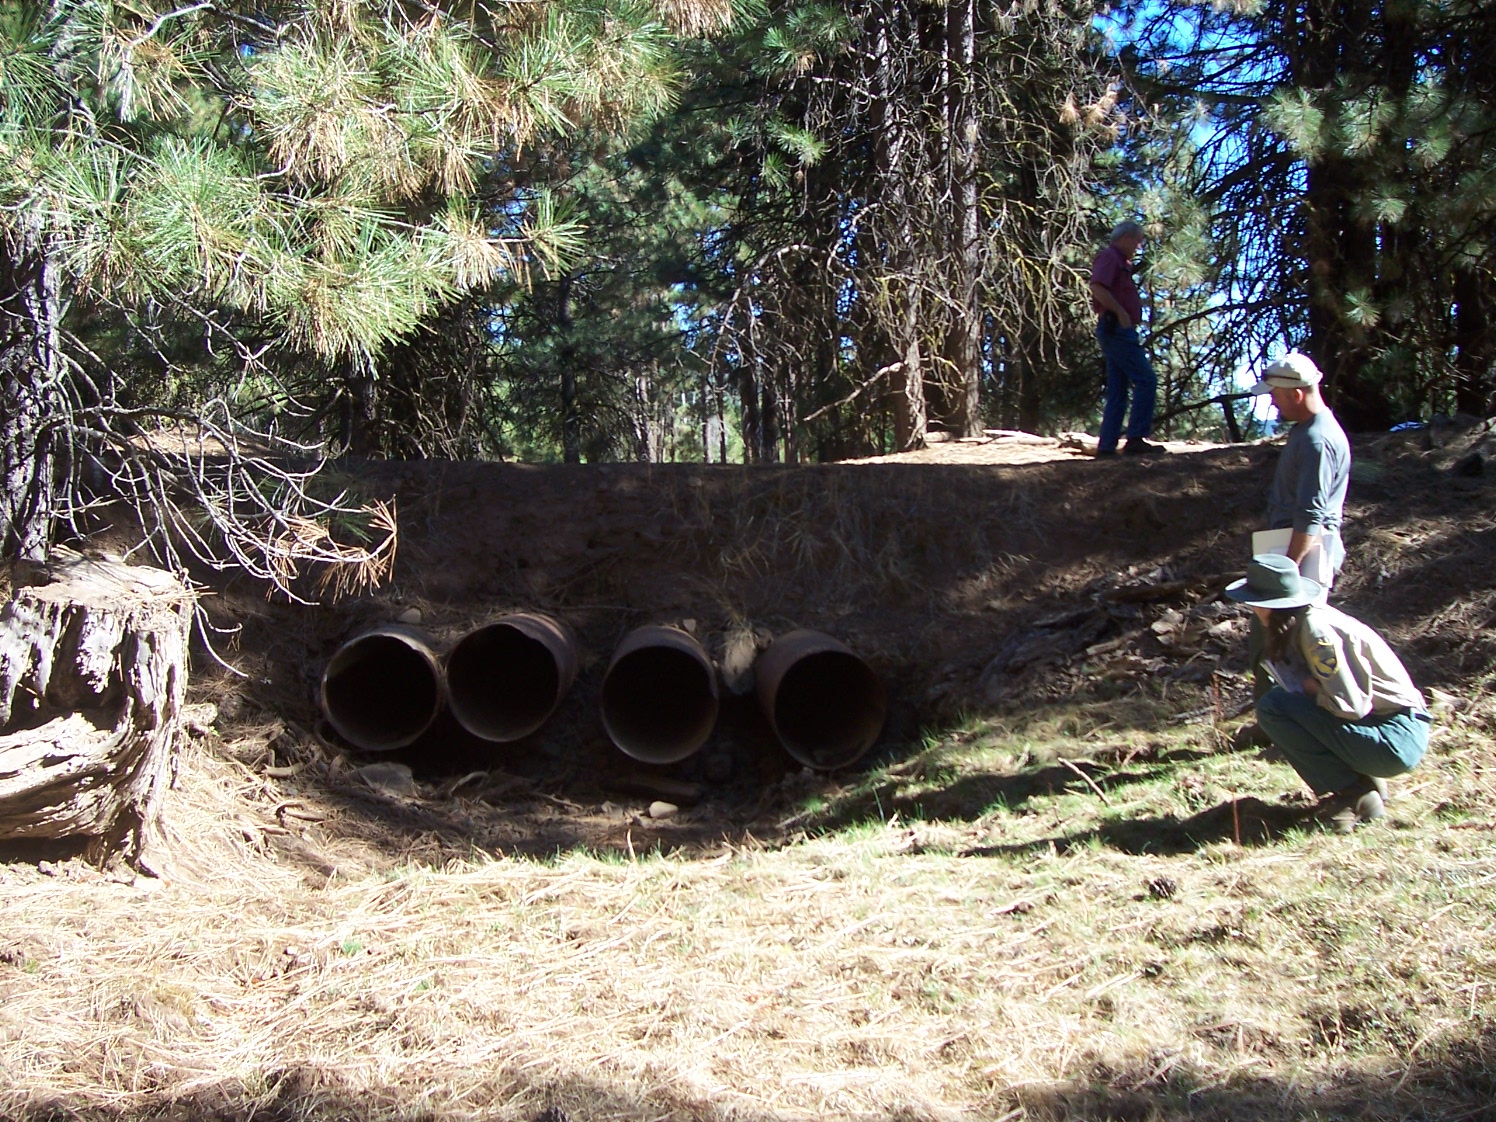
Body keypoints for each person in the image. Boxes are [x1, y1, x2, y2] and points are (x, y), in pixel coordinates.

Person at [1227, 553, 1431, 833]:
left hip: (1396, 738)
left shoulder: (1316, 631)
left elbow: (1350, 706)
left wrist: (1310, 688)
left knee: (1274, 707)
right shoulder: (1303, 619)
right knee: (1285, 703)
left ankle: (1353, 794)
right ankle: (1362, 787)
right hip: (1389, 730)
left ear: (1265, 605)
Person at [1246, 351, 1352, 698]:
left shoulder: (1316, 441)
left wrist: (1286, 571)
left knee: (1290, 640)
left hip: (1303, 553)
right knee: (1271, 638)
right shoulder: (1307, 432)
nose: (1273, 404)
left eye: (1275, 396)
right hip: (1290, 547)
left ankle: (1289, 720)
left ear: (1296, 394)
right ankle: (1274, 717)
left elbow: (1310, 514)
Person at [1090, 220, 1164, 457]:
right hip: (1116, 329)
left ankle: (1107, 447)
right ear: (1125, 238)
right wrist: (1121, 312)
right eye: (1137, 240)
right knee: (1146, 380)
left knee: (1118, 389)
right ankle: (1135, 439)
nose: (1138, 245)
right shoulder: (1110, 258)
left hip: (1118, 329)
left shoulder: (1122, 263)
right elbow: (1097, 287)